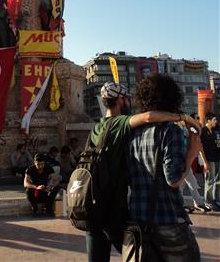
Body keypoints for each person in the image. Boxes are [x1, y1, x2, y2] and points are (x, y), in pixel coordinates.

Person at [85, 82, 200, 262]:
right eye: (127, 99)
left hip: (95, 208)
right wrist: (185, 120)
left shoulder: (98, 128)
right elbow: (147, 117)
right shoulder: (120, 124)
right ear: (121, 100)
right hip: (126, 211)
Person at [125, 74, 201, 262]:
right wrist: (192, 153)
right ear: (173, 97)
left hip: (137, 220)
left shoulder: (132, 132)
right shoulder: (170, 131)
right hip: (167, 219)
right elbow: (173, 180)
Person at [176, 121, 211, 213]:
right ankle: (197, 203)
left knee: (183, 184)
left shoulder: (187, 132)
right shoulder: (178, 131)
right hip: (180, 161)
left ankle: (181, 204)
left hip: (184, 160)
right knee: (190, 182)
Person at [24, 152, 61, 216]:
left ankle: (48, 208)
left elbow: (56, 180)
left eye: (42, 164)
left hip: (45, 191)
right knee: (28, 190)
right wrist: (36, 187)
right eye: (38, 164)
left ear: (44, 163)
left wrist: (51, 186)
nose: (40, 166)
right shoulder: (30, 170)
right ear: (35, 163)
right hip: (36, 192)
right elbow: (25, 183)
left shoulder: (48, 168)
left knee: (56, 188)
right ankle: (35, 209)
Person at [201, 112, 220, 211]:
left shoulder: (214, 130)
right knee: (209, 181)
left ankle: (216, 200)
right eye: (214, 120)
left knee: (217, 181)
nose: (216, 121)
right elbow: (201, 148)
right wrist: (204, 161)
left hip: (217, 159)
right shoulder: (203, 131)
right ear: (208, 120)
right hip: (209, 160)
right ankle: (208, 201)